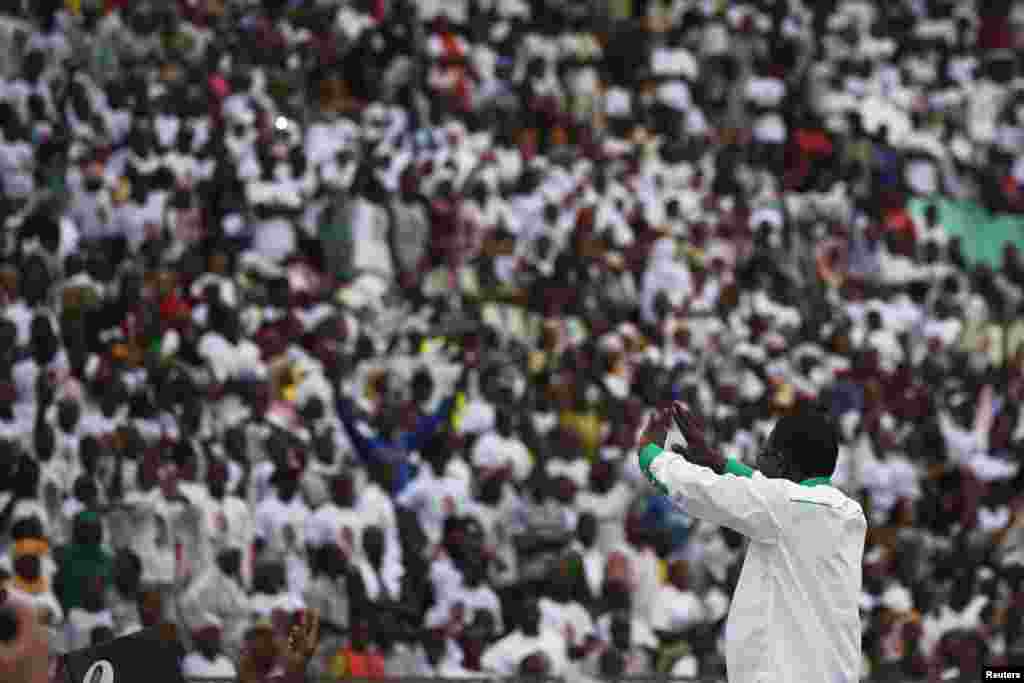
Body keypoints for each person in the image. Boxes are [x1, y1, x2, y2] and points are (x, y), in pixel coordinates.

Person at [636, 402, 866, 683]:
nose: (757, 461)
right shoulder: (848, 513)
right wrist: (718, 462)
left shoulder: (783, 508)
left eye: (764, 453)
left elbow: (699, 489)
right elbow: (768, 491)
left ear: (781, 462)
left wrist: (650, 454)